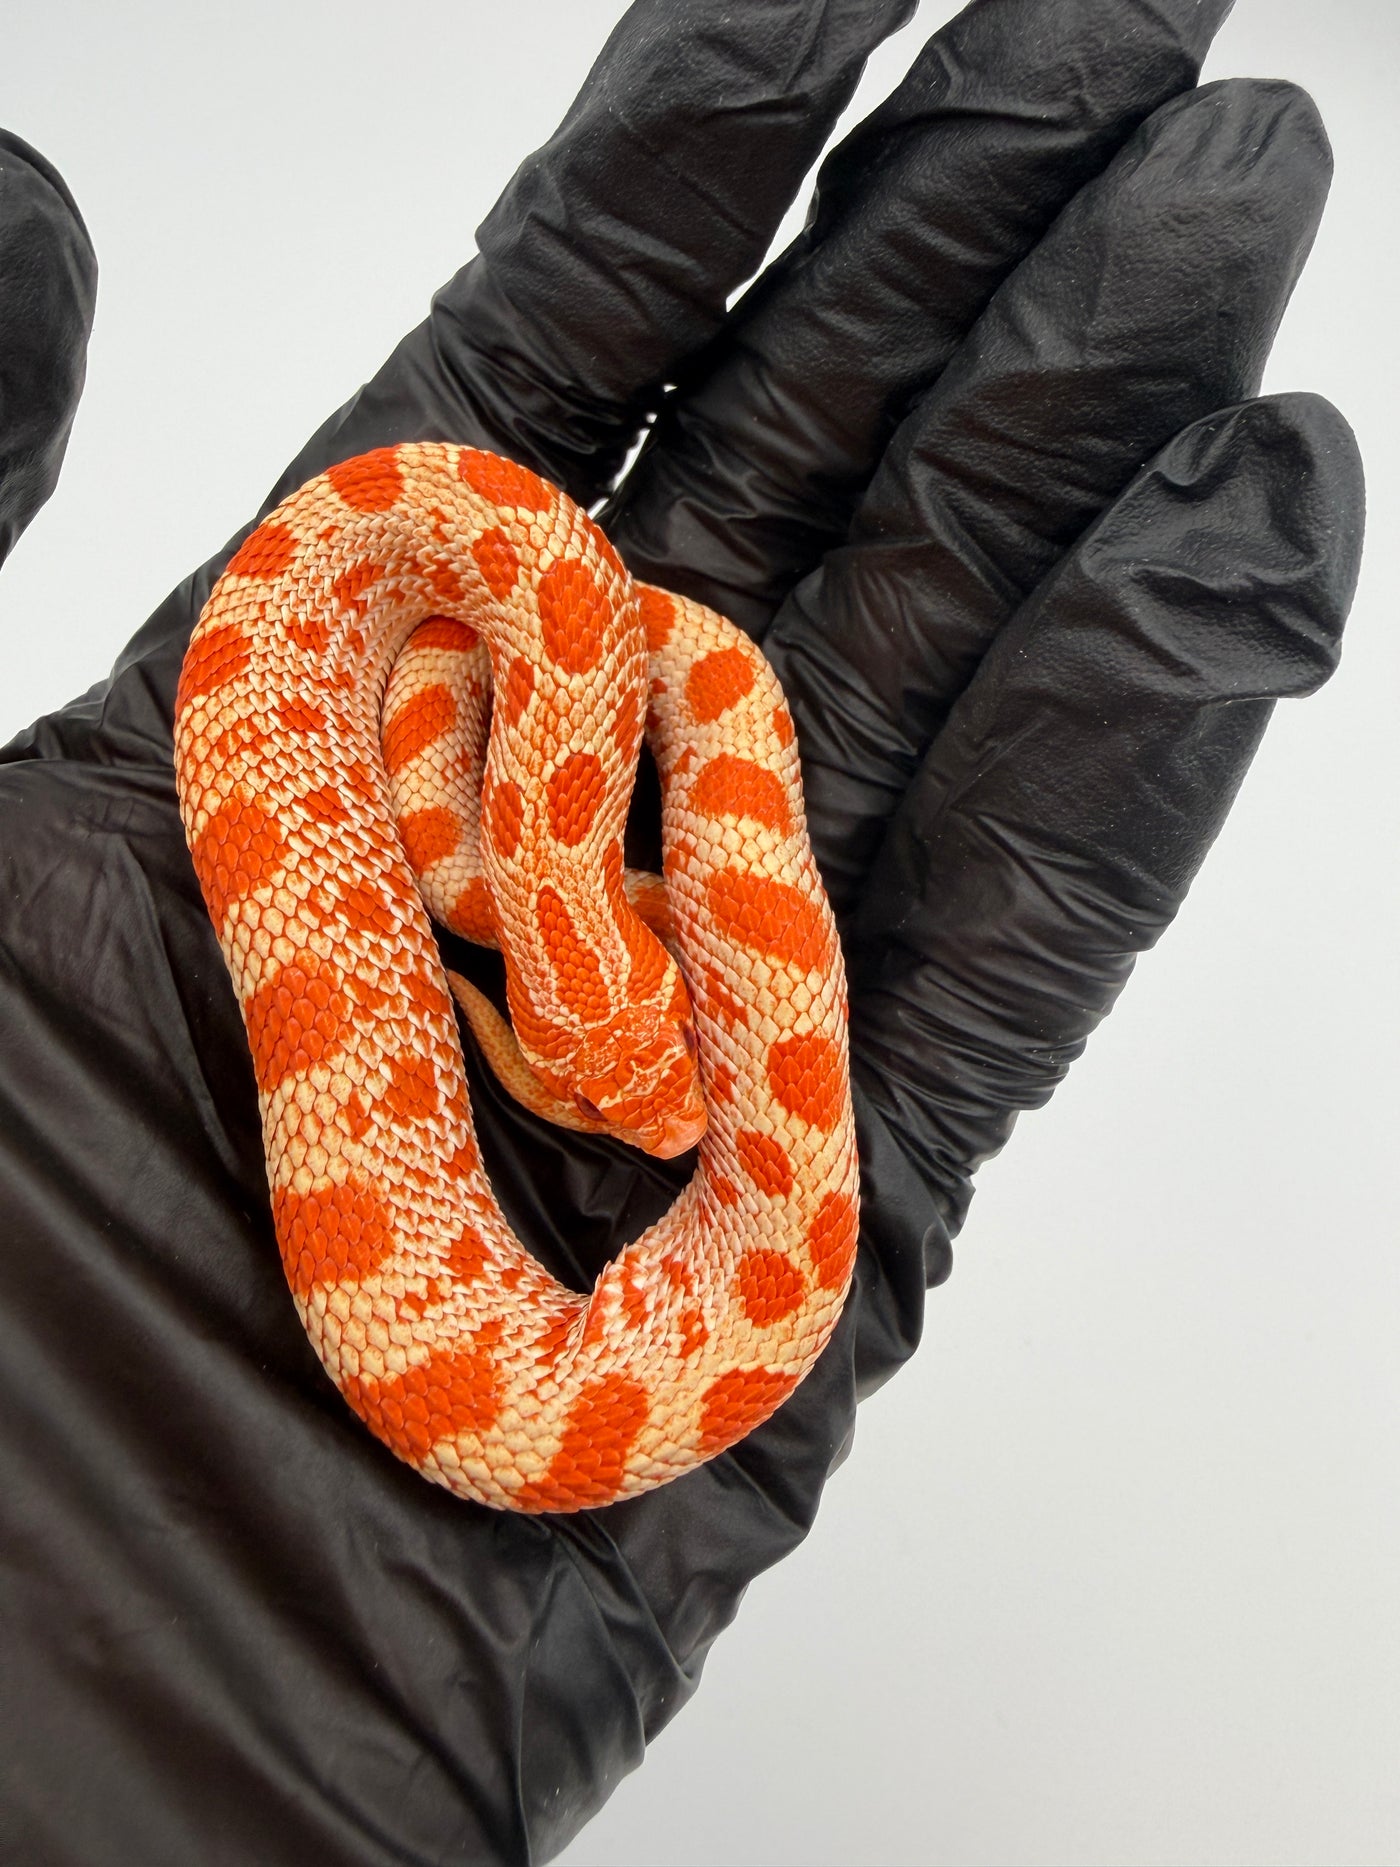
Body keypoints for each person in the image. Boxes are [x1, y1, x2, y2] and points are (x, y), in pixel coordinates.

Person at [0, 1, 1364, 1862]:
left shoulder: (568, 782)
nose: (679, 1125)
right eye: (661, 1079)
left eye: (654, 1083)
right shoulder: (553, 801)